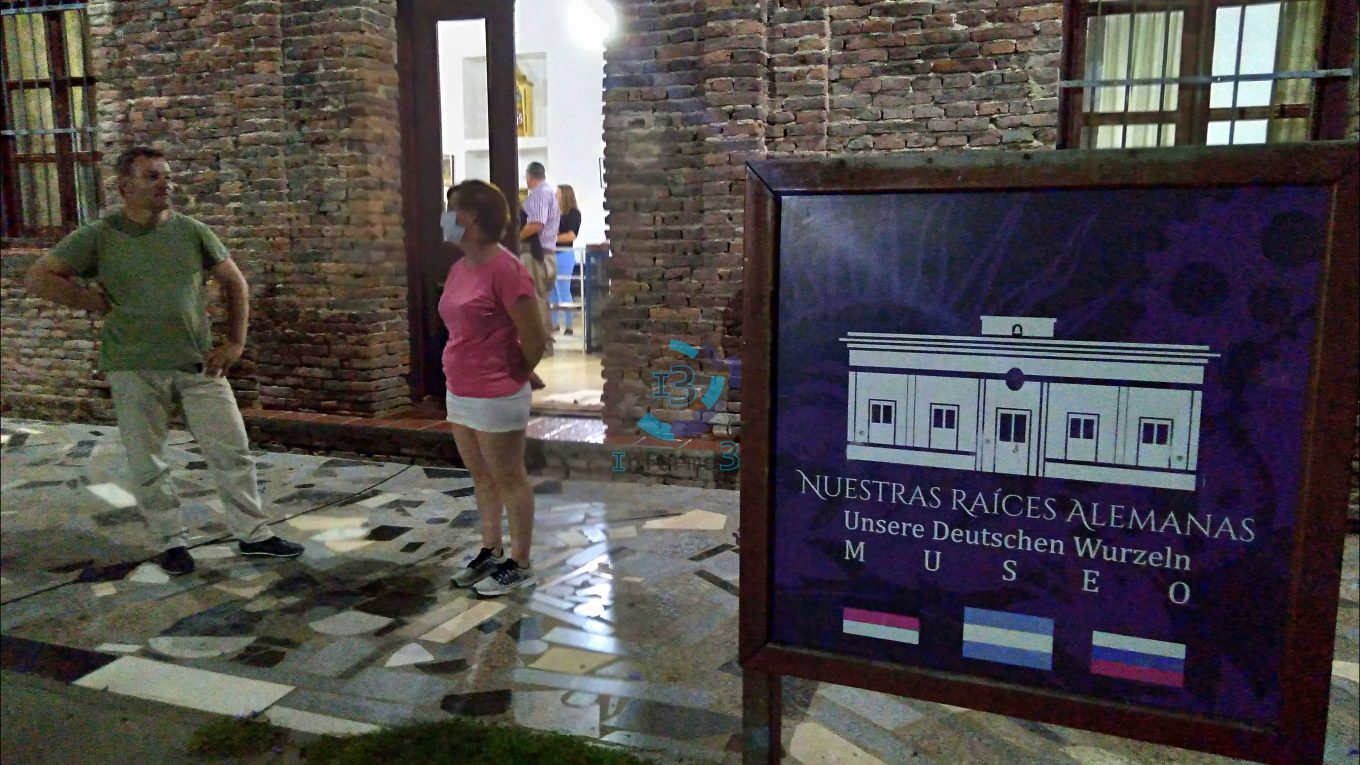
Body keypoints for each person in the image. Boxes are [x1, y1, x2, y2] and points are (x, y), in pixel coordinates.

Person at [24, 146, 304, 576]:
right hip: (133, 365)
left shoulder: (191, 231)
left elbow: (235, 283)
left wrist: (235, 343)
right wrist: (91, 302)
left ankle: (254, 534)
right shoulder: (100, 235)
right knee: (148, 460)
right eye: (152, 176)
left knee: (232, 451)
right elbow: (39, 276)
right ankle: (171, 541)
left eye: (167, 177)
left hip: (198, 364)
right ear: (124, 185)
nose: (164, 185)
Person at [442, 179, 549, 597]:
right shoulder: (459, 267)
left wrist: (516, 372)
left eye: (451, 210)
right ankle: (491, 549)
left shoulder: (506, 268)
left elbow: (535, 337)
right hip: (460, 388)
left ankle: (520, 562)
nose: (444, 219)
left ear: (471, 217)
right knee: (481, 476)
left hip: (497, 392)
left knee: (508, 477)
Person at [518, 162, 559, 353]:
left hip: (537, 255)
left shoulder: (540, 194)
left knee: (536, 300)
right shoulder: (549, 193)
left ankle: (541, 345)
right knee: (542, 299)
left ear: (529, 177)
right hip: (547, 253)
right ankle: (545, 343)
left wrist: (515, 237)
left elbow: (536, 224)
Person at [553, 184, 583, 335]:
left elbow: (571, 236)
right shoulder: (553, 212)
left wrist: (553, 238)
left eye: (557, 193)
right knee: (551, 290)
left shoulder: (573, 214)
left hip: (564, 254)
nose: (555, 196)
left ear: (565, 195)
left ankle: (569, 325)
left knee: (563, 289)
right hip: (550, 253)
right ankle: (554, 324)